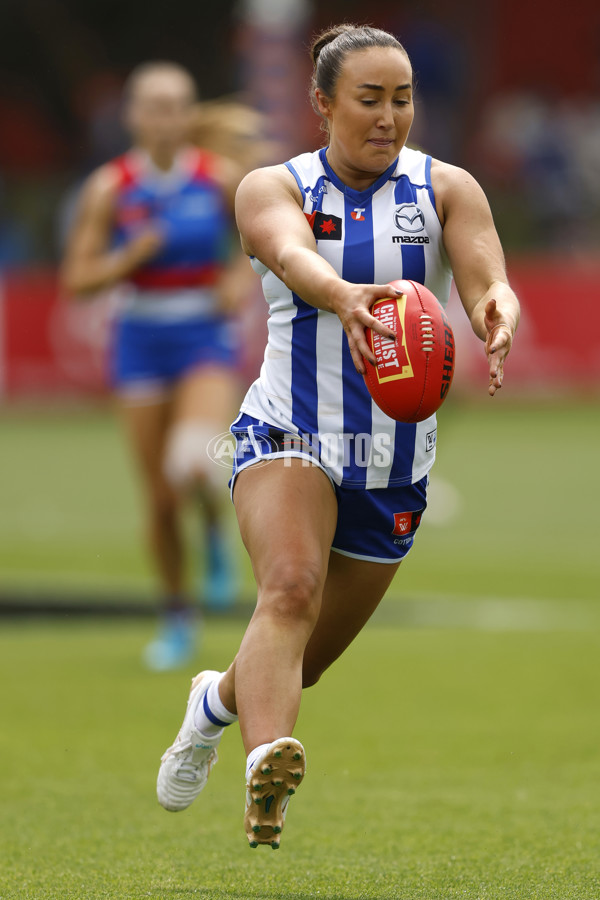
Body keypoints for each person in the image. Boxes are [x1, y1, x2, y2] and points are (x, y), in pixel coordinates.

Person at [156, 24, 520, 849]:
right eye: (369, 98)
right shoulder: (269, 187)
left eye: (403, 98)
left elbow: (485, 273)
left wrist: (498, 307)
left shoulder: (446, 187)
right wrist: (344, 293)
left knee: (301, 661)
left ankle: (214, 703)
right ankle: (267, 772)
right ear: (323, 105)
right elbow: (289, 257)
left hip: (393, 465)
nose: (390, 115)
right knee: (287, 590)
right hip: (286, 432)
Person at [61, 62, 250, 670]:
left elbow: (262, 249)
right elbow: (78, 279)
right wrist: (127, 260)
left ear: (188, 115)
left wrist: (237, 282)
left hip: (203, 337)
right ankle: (176, 616)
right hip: (139, 338)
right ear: (133, 116)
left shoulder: (218, 179)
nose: (165, 116)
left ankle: (216, 531)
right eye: (153, 105)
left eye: (176, 105)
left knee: (192, 459)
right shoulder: (111, 188)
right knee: (160, 499)